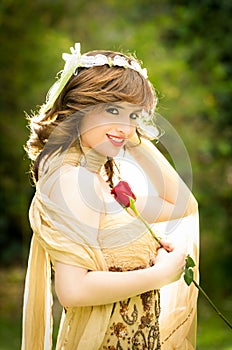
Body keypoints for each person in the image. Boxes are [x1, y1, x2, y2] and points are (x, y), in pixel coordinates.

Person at [22, 43, 199, 350]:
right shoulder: (72, 179)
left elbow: (181, 204)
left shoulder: (97, 180)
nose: (126, 126)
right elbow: (73, 291)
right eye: (112, 109)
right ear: (80, 109)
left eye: (134, 115)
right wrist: (160, 273)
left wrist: (126, 132)